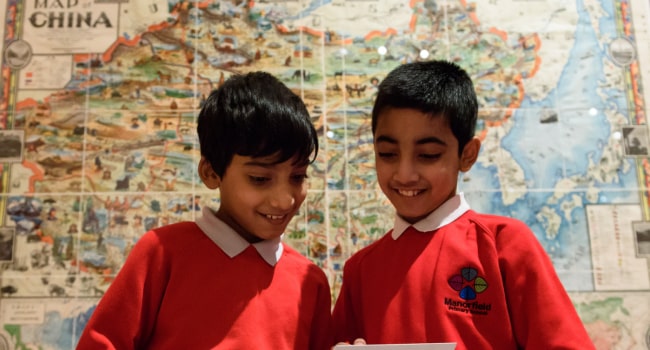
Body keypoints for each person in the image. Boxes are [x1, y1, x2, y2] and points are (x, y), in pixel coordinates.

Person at [332, 60, 595, 349]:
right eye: (387, 153)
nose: (404, 174)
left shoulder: (503, 245)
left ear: (467, 155)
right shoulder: (361, 269)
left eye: (428, 155)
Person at [77, 72, 333, 349]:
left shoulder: (310, 282)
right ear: (211, 173)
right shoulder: (162, 253)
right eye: (260, 179)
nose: (284, 201)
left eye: (298, 177)